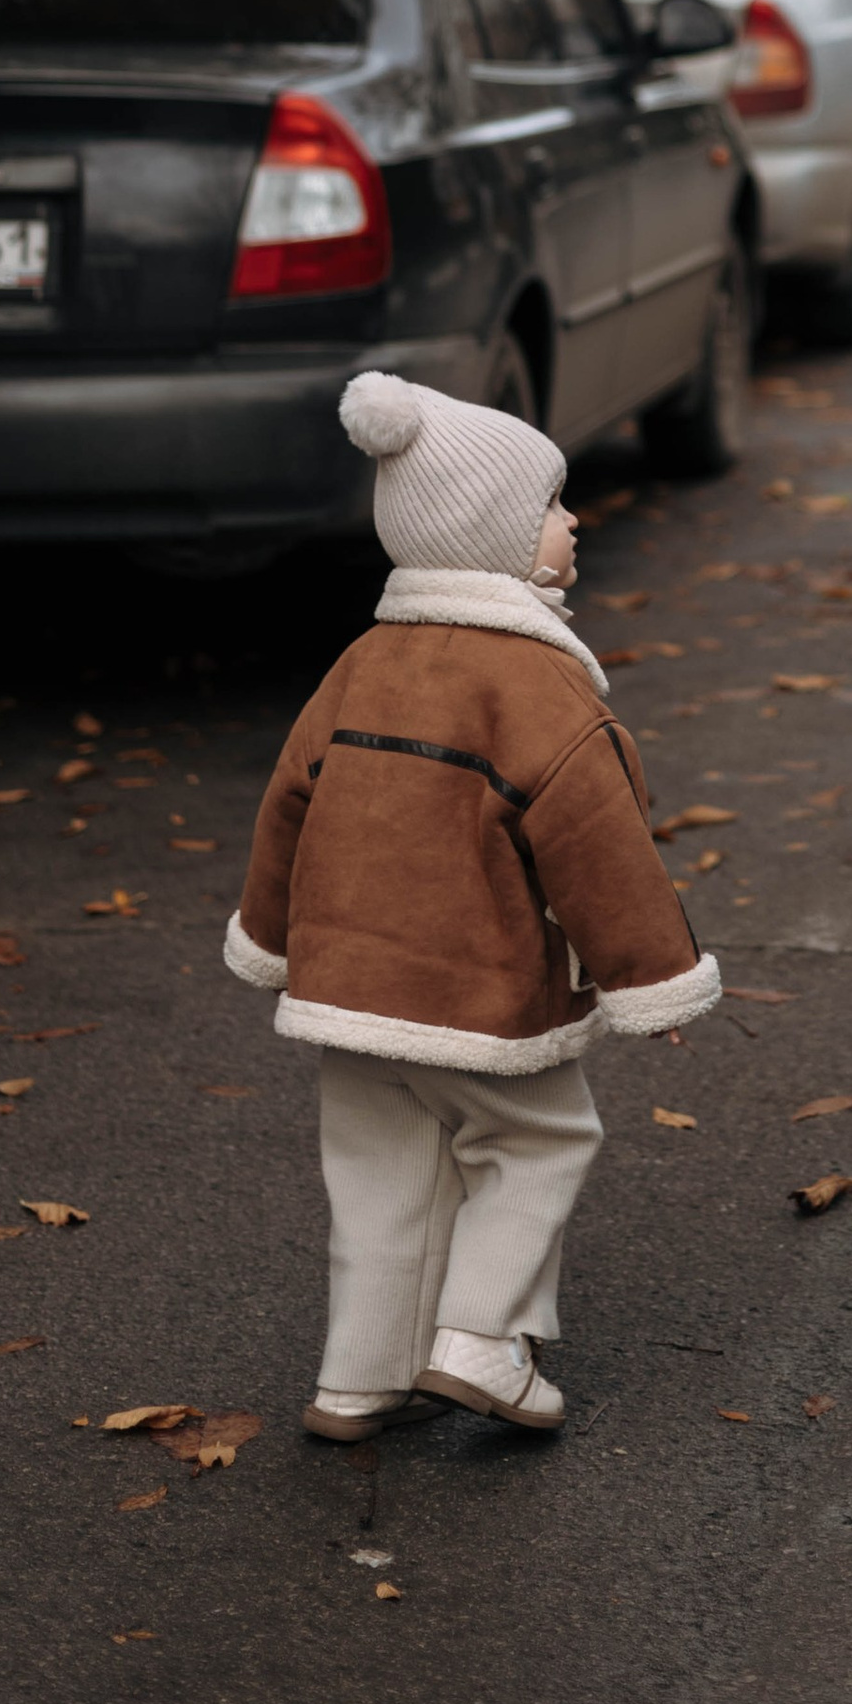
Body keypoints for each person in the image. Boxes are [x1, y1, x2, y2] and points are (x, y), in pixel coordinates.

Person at [225, 369, 718, 1439]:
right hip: (478, 996)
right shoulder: (538, 689)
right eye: (548, 505)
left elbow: (287, 807)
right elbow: (599, 848)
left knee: (379, 1179)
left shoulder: (360, 666)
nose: (571, 519)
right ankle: (482, 1341)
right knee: (536, 1144)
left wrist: (271, 942)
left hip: (350, 992)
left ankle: (359, 1374)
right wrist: (653, 980)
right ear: (488, 533)